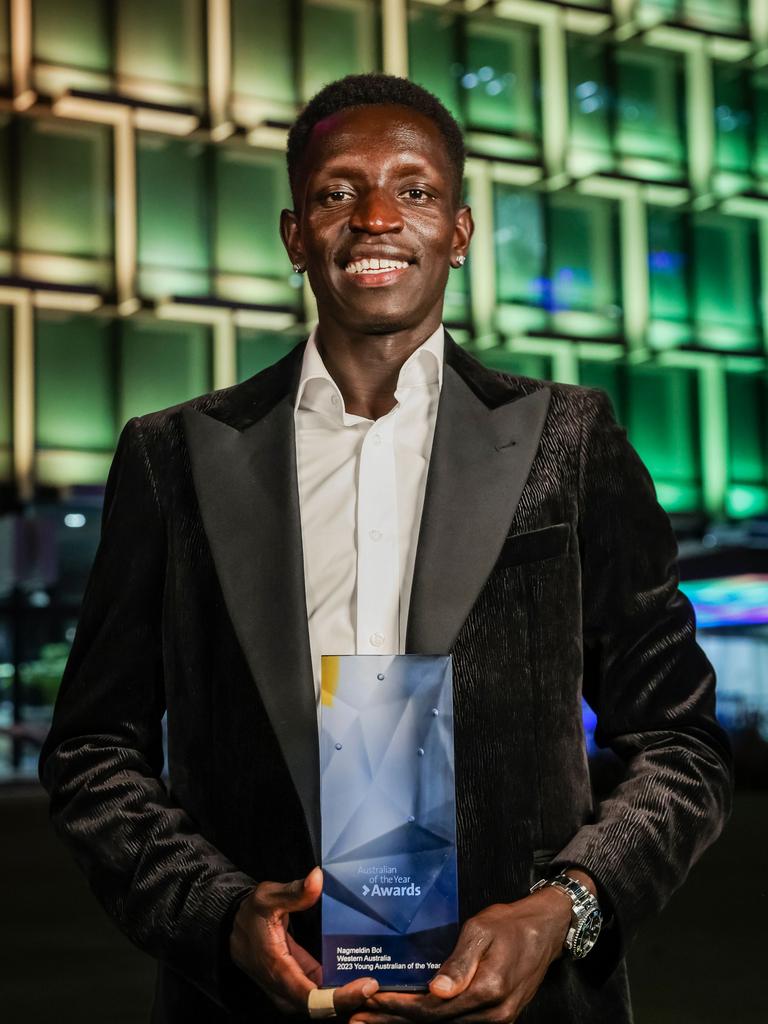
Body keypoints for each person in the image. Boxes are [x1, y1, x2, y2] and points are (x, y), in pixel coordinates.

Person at [39, 74, 732, 1024]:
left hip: (527, 1004)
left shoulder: (568, 440)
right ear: (295, 235)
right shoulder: (175, 458)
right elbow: (92, 750)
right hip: (258, 1006)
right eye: (337, 191)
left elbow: (680, 743)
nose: (374, 217)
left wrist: (565, 910)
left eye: (414, 190)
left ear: (458, 231)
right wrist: (220, 914)